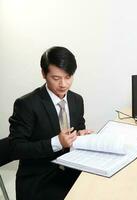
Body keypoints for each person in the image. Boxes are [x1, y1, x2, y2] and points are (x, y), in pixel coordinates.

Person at [8, 46, 92, 200]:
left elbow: (78, 130)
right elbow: (15, 148)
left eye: (68, 77)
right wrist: (57, 142)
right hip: (40, 179)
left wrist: (80, 136)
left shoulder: (76, 100)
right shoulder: (26, 104)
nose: (63, 84)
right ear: (43, 74)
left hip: (71, 171)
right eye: (56, 78)